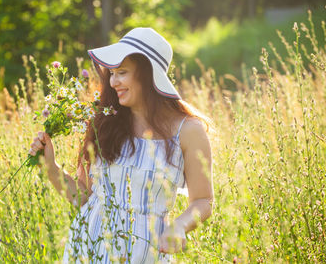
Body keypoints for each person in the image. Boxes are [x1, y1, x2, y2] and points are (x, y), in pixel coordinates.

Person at [29, 27, 213, 263]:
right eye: (112, 73)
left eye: (122, 72)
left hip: (145, 253)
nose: (114, 82)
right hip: (88, 247)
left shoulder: (188, 131)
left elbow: (203, 200)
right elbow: (83, 196)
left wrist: (179, 226)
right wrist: (51, 167)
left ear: (149, 75)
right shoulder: (106, 122)